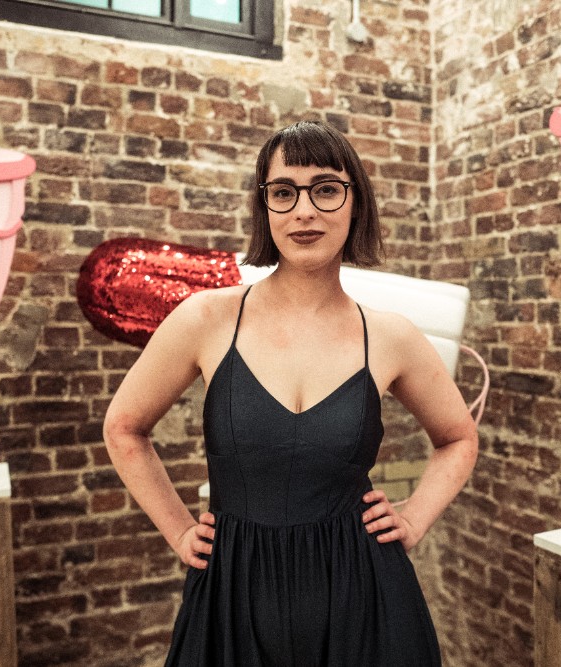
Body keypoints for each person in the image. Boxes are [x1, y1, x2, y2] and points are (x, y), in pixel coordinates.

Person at [103, 120, 479, 666]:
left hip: (365, 598)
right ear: (266, 208)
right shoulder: (206, 319)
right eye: (284, 192)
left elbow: (458, 437)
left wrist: (415, 516)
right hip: (233, 596)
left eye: (325, 189)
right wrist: (180, 531)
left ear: (356, 202)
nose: (304, 211)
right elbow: (124, 428)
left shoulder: (391, 336)